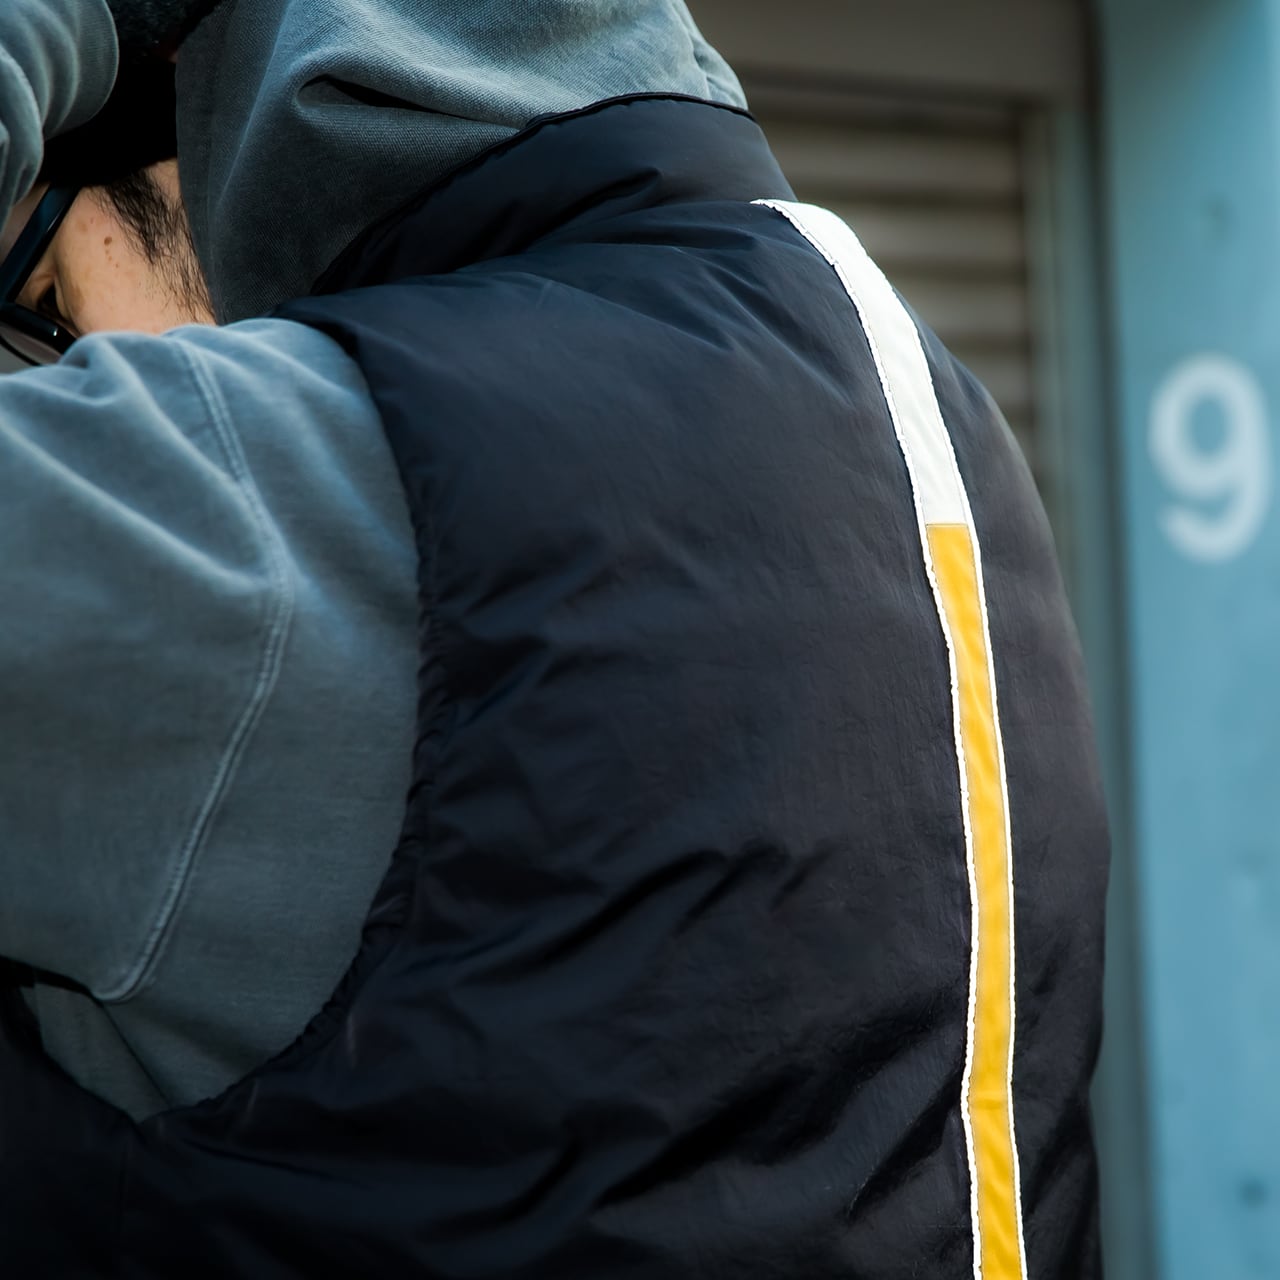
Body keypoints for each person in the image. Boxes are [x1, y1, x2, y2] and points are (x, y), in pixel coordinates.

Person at [0, 1, 1111, 1276]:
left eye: (45, 299)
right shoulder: (933, 425)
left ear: (215, 130)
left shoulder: (248, 510)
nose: (58, 377)